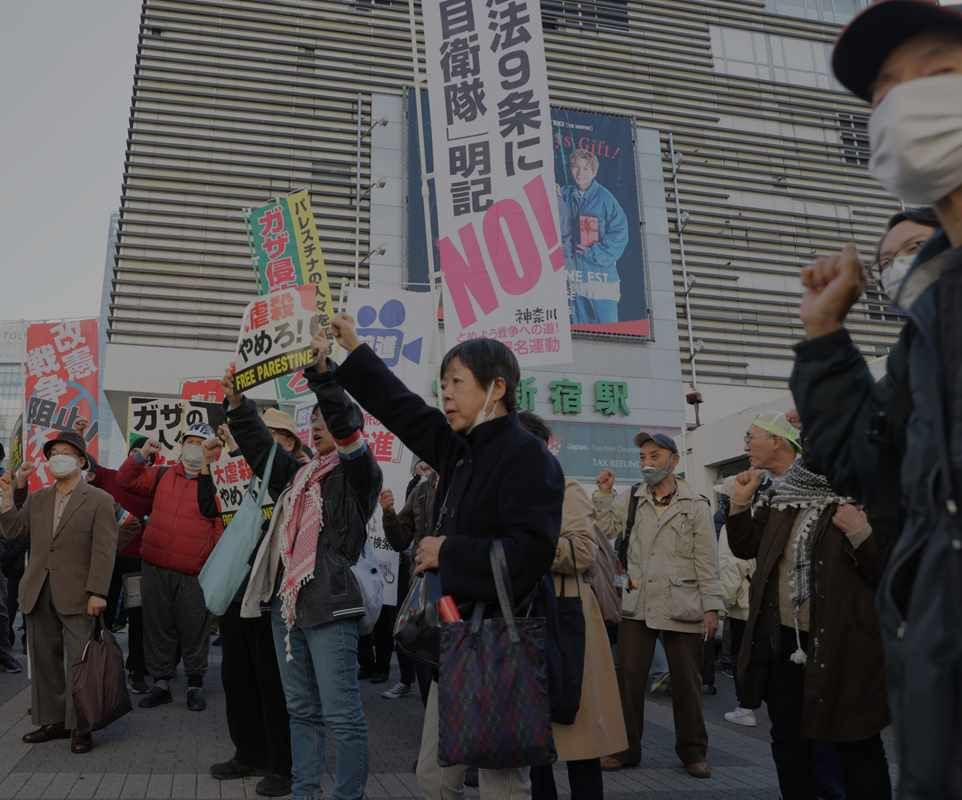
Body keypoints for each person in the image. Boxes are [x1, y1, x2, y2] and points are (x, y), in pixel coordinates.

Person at [788, 3, 962, 794]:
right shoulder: (932, 322)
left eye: (940, 72)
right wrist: (825, 341)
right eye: (886, 88)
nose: (907, 100)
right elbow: (865, 461)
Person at [320, 315, 564, 800]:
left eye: (457, 383)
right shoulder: (459, 449)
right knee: (434, 776)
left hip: (502, 639)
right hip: (456, 638)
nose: (446, 394)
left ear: (497, 388)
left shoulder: (530, 458)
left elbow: (531, 553)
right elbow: (403, 410)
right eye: (443, 383)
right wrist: (353, 348)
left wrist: (447, 550)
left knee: (502, 783)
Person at [224, 340, 381, 800]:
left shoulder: (359, 475)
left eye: (324, 420)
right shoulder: (299, 477)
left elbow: (347, 426)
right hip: (287, 608)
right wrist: (238, 405)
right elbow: (263, 453)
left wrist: (323, 379)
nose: (317, 427)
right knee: (301, 711)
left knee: (342, 714)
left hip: (332, 606)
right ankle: (305, 791)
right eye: (313, 420)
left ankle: (347, 795)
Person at [726, 452, 891, 798]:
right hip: (783, 643)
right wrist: (739, 506)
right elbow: (746, 547)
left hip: (846, 647)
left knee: (855, 744)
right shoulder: (782, 497)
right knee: (789, 743)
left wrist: (862, 533)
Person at [593, 432, 722, 779]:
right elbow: (604, 528)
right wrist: (604, 494)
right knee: (628, 681)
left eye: (654, 455)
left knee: (687, 684)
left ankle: (694, 753)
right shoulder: (631, 498)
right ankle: (623, 750)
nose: (646, 463)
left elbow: (707, 560)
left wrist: (712, 607)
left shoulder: (695, 504)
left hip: (683, 603)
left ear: (674, 461)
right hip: (638, 604)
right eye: (642, 457)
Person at [519, 411, 626, 800]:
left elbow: (581, 552)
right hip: (526, 617)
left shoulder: (566, 489)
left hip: (568, 618)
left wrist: (524, 546)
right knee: (535, 742)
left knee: (579, 734)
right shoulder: (507, 494)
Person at [0, 431, 118, 754]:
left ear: (81, 460)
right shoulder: (39, 499)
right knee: (44, 660)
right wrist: (7, 501)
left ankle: (81, 727)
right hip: (39, 590)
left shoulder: (99, 500)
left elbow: (104, 550)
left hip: (80, 594)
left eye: (66, 453)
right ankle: (52, 721)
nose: (58, 458)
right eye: (53, 453)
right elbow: (14, 531)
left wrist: (98, 592)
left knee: (79, 663)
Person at [209, 413, 294, 798]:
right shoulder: (241, 473)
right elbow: (212, 509)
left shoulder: (298, 478)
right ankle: (247, 752)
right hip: (236, 590)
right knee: (236, 677)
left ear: (290, 444)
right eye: (263, 437)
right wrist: (219, 461)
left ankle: (282, 764)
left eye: (274, 438)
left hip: (272, 595)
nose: (265, 445)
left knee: (272, 683)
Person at [118, 422, 223, 712]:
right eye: (189, 441)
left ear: (212, 451)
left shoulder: (217, 483)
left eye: (200, 443)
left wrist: (210, 564)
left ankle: (195, 683)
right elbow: (125, 480)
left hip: (194, 573)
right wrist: (141, 456)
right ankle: (161, 682)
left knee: (194, 628)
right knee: (157, 626)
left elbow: (220, 528)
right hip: (154, 566)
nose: (193, 446)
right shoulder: (162, 474)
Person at [72, 418, 153, 693]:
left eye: (147, 456)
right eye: (136, 454)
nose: (141, 460)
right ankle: (98, 665)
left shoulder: (152, 486)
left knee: (138, 615)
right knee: (100, 613)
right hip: (107, 560)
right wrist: (79, 436)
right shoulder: (107, 476)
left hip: (137, 564)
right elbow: (85, 465)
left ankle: (137, 670)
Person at [378, 460, 436, 702]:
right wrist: (389, 513)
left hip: (454, 590)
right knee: (421, 652)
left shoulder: (468, 483)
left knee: (452, 658)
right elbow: (401, 540)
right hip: (421, 585)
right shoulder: (422, 490)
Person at [559, 149, 629, 325]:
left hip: (602, 280)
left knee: (609, 332)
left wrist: (594, 252)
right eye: (576, 167)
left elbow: (620, 233)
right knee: (579, 332)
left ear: (594, 172)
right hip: (575, 278)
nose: (580, 173)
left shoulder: (606, 199)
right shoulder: (565, 194)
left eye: (586, 169)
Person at [715, 482, 756, 728]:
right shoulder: (763, 516)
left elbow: (731, 568)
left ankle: (745, 707)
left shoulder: (732, 526)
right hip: (765, 600)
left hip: (742, 603)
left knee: (743, 657)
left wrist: (725, 603)